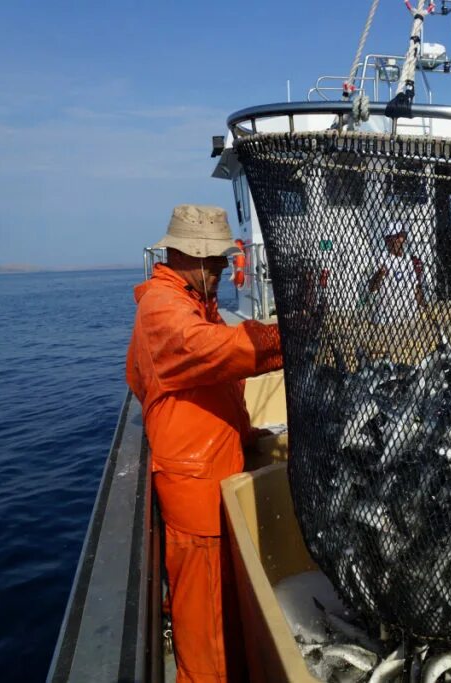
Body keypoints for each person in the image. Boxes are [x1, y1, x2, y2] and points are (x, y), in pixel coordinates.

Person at [126, 204, 283, 683]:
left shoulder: (195, 304)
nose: (221, 267)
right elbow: (220, 352)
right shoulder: (164, 309)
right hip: (196, 497)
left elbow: (202, 386)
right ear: (185, 255)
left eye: (220, 259)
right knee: (206, 636)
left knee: (223, 619)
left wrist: (252, 437)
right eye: (212, 259)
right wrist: (290, 338)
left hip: (215, 476)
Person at [367, 223, 425, 323]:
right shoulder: (381, 259)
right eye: (396, 236)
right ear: (388, 240)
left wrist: (425, 306)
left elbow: (416, 290)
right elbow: (371, 288)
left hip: (410, 320)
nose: (400, 240)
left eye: (402, 236)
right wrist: (379, 274)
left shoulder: (409, 260)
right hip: (386, 321)